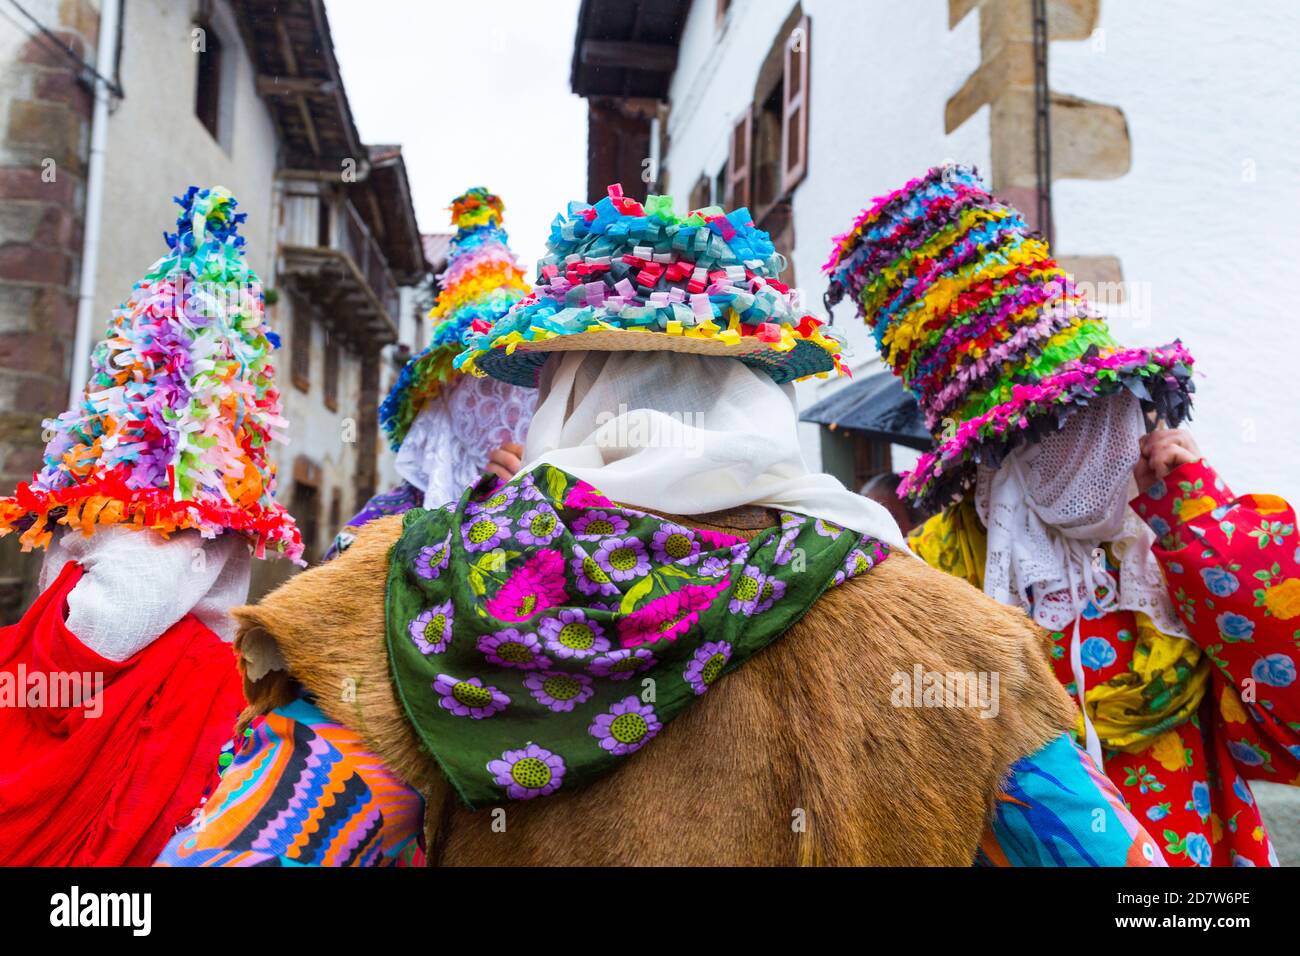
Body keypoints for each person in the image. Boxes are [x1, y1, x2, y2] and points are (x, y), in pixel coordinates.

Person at [159, 185, 1162, 866]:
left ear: (565, 386)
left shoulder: (408, 593)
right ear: (760, 392)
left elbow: (254, 844)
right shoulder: (949, 632)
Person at [825, 163, 1298, 866]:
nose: (1118, 436)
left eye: (1122, 405)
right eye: (1074, 418)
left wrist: (1199, 518)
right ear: (1010, 451)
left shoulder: (1169, 546)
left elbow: (1285, 702)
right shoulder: (940, 572)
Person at [0, 186, 302, 866]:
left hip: (139, 714)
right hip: (161, 702)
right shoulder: (190, 486)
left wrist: (47, 655)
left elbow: (112, 622)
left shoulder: (176, 495)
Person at [326, 188, 535, 560]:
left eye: (521, 384)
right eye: (483, 388)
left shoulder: (569, 501)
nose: (506, 408)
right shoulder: (376, 528)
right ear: (443, 400)